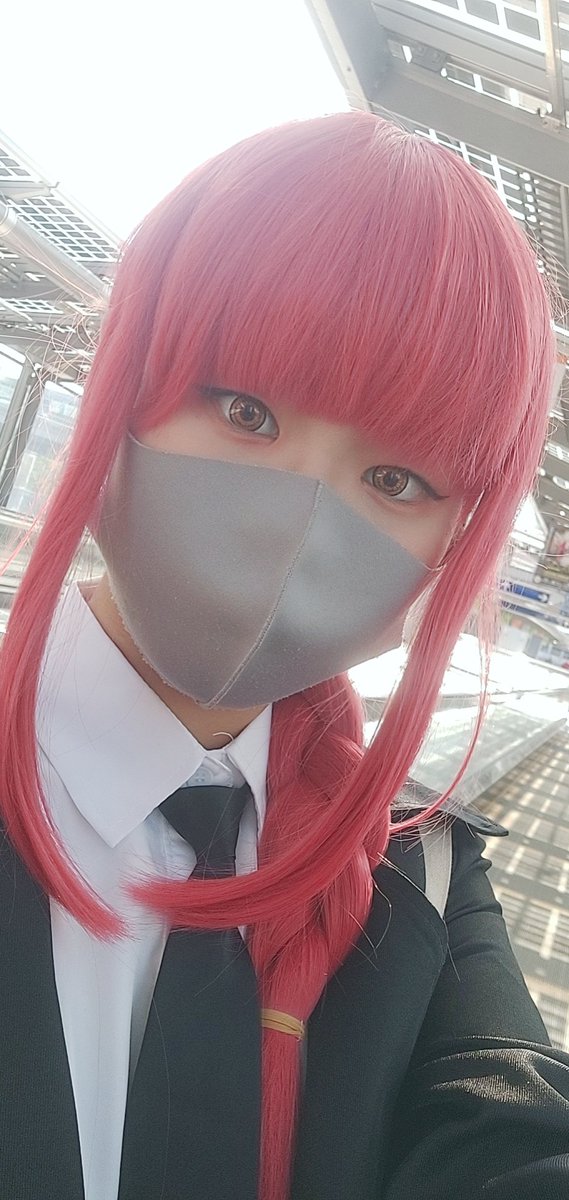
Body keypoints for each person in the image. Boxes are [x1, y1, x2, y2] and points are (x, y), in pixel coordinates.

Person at [0, 110, 568, 1200]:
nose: (296, 525)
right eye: (245, 409)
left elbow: (509, 1121)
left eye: (395, 481)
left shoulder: (420, 876)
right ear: (125, 383)